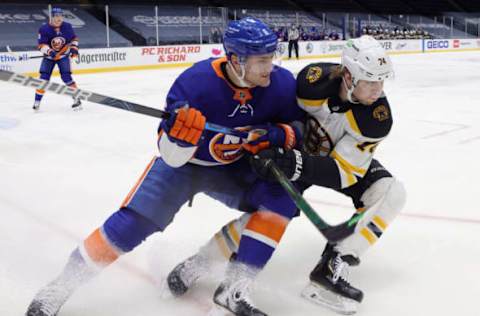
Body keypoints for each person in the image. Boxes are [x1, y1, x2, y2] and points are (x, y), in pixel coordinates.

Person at [25, 17, 305, 316]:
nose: (270, 67)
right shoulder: (195, 84)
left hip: (234, 167)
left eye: (271, 57)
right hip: (184, 168)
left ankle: (226, 283)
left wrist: (277, 135)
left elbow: (297, 127)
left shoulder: (281, 84)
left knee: (282, 200)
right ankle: (60, 287)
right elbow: (170, 156)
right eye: (262, 60)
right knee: (130, 226)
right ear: (236, 59)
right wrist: (181, 139)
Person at [167, 35, 406, 315]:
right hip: (290, 152)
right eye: (370, 81)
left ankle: (332, 266)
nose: (378, 90)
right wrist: (268, 138)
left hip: (332, 164)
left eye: (381, 81)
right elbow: (277, 110)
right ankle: (201, 262)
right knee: (268, 215)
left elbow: (345, 172)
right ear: (349, 76)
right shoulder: (312, 82)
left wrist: (297, 162)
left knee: (391, 192)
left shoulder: (375, 118)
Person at [33, 7, 81, 111]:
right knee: (44, 78)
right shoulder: (44, 29)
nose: (59, 18)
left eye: (60, 16)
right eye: (56, 16)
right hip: (49, 57)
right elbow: (41, 45)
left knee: (66, 77)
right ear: (51, 17)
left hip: (63, 56)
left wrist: (74, 48)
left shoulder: (67, 26)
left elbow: (74, 39)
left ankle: (77, 99)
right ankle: (37, 102)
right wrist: (50, 52)